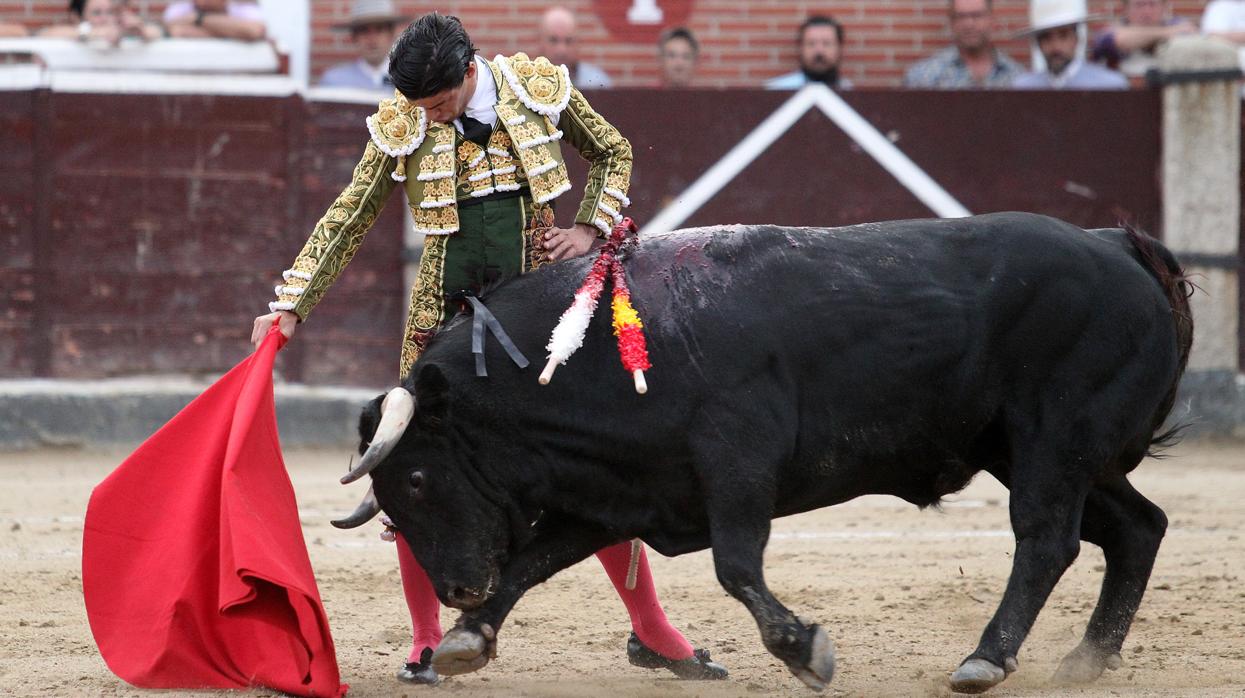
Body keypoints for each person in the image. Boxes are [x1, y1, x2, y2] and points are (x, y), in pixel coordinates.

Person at [250, 12, 727, 687]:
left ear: (469, 71)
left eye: (440, 104)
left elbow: (613, 150)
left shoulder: (533, 88)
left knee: (587, 468)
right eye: (421, 108)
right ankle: (423, 638)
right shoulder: (406, 117)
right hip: (441, 319)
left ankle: (650, 628)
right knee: (412, 469)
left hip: (541, 312)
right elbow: (349, 214)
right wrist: (291, 304)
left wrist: (590, 226)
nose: (431, 119)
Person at [904, 0, 1023, 88]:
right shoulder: (924, 76)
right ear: (951, 22)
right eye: (960, 16)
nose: (969, 24)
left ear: (992, 20)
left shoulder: (1016, 76)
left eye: (977, 15)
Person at [1013, 0, 1129, 89]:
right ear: (1038, 44)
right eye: (1046, 38)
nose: (1056, 46)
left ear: (1076, 39)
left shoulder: (1108, 86)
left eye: (1063, 36)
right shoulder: (1023, 87)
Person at [1091, 0, 1194, 77]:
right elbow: (1114, 41)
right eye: (1139, 5)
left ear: (1164, 7)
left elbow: (1189, 35)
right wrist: (1166, 33)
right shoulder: (1111, 31)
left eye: (1152, 4)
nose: (1146, 12)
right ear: (1126, 9)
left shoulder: (1174, 24)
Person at [318, 0, 404, 90]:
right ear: (354, 37)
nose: (372, 39)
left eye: (379, 30)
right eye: (364, 30)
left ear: (391, 34)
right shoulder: (335, 82)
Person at [765, 15, 852, 90]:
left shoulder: (850, 92)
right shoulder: (777, 89)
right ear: (800, 48)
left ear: (839, 48)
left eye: (826, 43)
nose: (819, 51)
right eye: (811, 44)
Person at [538, 5, 612, 89]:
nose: (561, 50)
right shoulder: (525, 86)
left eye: (568, 41)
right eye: (553, 40)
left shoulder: (597, 83)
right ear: (540, 42)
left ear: (578, 43)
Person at [39, 0, 162, 44]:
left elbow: (157, 33)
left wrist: (139, 30)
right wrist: (92, 33)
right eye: (97, 13)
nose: (105, 18)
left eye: (109, 12)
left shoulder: (121, 30)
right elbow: (45, 35)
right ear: (76, 17)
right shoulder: (73, 33)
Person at [163, 0, 265, 41]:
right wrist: (234, 32)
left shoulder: (243, 9)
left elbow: (254, 31)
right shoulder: (179, 9)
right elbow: (175, 30)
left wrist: (199, 19)